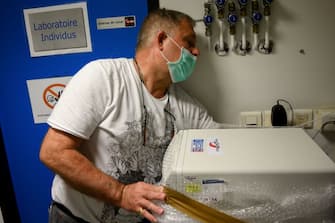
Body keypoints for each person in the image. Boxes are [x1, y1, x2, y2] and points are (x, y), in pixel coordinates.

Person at [40, 8, 221, 223]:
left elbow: (223, 149)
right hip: (76, 219)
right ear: (162, 40)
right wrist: (120, 193)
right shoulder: (104, 78)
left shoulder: (188, 109)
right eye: (189, 42)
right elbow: (54, 152)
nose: (196, 52)